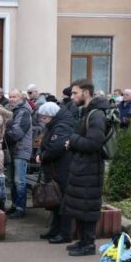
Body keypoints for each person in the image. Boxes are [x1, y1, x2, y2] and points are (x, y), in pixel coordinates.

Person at [61, 79, 110, 256]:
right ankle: (82, 240)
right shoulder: (87, 112)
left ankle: (88, 244)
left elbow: (93, 143)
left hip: (90, 169)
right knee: (80, 206)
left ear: (86, 93)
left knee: (87, 207)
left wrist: (72, 140)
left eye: (75, 93)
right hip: (83, 168)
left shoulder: (96, 114)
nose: (72, 96)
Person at [35, 100, 75, 243]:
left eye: (44, 118)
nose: (42, 121)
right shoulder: (54, 125)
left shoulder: (62, 127)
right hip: (54, 168)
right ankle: (55, 229)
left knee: (63, 201)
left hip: (61, 168)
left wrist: (42, 156)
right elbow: (45, 142)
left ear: (51, 116)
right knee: (56, 200)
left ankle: (65, 233)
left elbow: (56, 147)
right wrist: (40, 153)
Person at [5, 88, 33, 218]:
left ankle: (21, 208)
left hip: (21, 150)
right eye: (10, 96)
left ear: (21, 98)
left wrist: (3, 137)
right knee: (12, 181)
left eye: (14, 97)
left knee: (19, 181)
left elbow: (17, 133)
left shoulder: (23, 112)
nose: (11, 99)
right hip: (13, 150)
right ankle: (15, 205)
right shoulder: (11, 110)